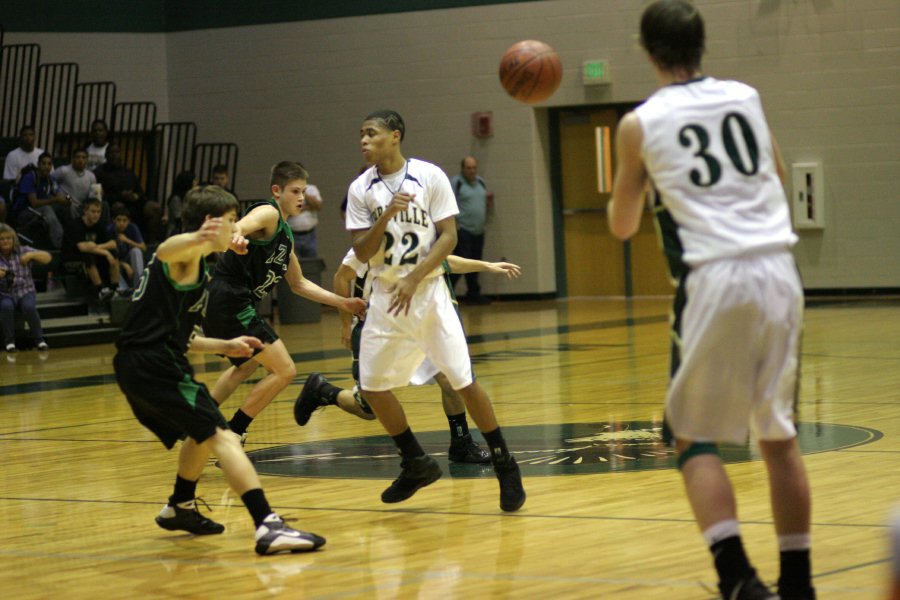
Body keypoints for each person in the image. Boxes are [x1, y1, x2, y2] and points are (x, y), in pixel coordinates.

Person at [606, 2, 814, 599]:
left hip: (714, 277)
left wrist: (643, 185)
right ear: (702, 46)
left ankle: (737, 580)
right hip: (779, 268)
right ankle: (798, 585)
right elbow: (774, 172)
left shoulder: (639, 123)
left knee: (692, 439)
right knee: (778, 435)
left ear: (646, 50)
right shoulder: (745, 96)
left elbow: (621, 226)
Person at [113, 185, 325, 555]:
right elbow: (165, 249)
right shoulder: (182, 254)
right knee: (223, 437)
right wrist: (199, 237)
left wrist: (225, 346)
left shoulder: (198, 268)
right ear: (210, 225)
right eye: (230, 222)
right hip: (153, 366)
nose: (236, 229)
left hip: (152, 362)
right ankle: (267, 526)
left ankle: (180, 505)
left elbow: (182, 335)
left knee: (201, 433)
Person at [345, 109, 525, 511]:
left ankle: (504, 463)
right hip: (386, 297)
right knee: (372, 387)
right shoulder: (361, 188)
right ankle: (414, 462)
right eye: (361, 134)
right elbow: (360, 251)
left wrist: (415, 277)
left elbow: (449, 237)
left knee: (463, 381)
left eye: (371, 133)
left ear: (395, 136)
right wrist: (388, 214)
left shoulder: (429, 176)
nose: (363, 140)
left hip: (428, 294)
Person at [295, 248, 522, 466]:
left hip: (416, 322)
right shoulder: (368, 245)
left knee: (450, 379)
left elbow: (445, 262)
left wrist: (488, 266)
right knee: (369, 408)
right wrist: (345, 324)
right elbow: (341, 277)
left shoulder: (416, 238)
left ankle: (461, 443)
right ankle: (322, 391)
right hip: (375, 326)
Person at [203, 164, 366, 443]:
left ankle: (199, 418)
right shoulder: (268, 212)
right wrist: (236, 235)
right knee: (285, 370)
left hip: (226, 302)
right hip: (230, 299)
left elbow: (299, 284)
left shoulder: (286, 237)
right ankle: (235, 431)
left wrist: (344, 303)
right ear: (277, 191)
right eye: (295, 191)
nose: (301, 197)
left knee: (247, 366)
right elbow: (242, 225)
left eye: (303, 191)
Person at [449, 156, 494, 305]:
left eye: (474, 168)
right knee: (461, 262)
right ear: (463, 168)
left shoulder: (481, 182)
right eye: (469, 168)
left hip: (478, 231)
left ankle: (473, 293)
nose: (472, 171)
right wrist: (454, 224)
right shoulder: (457, 183)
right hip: (463, 230)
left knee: (476, 263)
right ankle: (448, 292)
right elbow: (449, 204)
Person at [0, 223, 50, 352]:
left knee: (29, 307)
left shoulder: (23, 250)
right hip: (4, 293)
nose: (5, 241)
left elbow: (48, 258)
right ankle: (9, 342)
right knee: (6, 307)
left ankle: (40, 340)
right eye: (2, 239)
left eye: (8, 238)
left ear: (13, 239)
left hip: (25, 290)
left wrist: (31, 256)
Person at [62, 197, 119, 302]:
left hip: (93, 253)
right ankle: (100, 290)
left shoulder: (99, 225)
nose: (96, 215)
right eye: (93, 211)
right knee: (87, 256)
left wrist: (98, 248)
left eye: (98, 212)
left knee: (113, 253)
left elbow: (113, 243)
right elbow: (83, 247)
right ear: (85, 211)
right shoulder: (75, 225)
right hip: (71, 258)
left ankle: (116, 288)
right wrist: (105, 252)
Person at [12, 152, 70, 249]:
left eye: (49, 164)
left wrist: (67, 199)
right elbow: (34, 203)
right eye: (43, 163)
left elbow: (60, 194)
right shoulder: (30, 177)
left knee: (64, 208)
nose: (46, 167)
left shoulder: (50, 179)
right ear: (38, 164)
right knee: (47, 209)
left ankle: (71, 240)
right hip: (23, 213)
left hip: (39, 211)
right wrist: (55, 199)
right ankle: (60, 246)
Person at [53, 148, 101, 220]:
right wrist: (58, 192)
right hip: (68, 202)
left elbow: (93, 195)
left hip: (84, 205)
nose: (80, 160)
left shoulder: (91, 176)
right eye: (78, 157)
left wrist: (98, 194)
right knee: (69, 205)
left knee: (102, 205)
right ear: (73, 159)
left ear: (87, 160)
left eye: (83, 158)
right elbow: (51, 180)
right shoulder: (63, 170)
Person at [108, 203, 146, 292]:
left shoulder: (132, 227)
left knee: (136, 251)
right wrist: (124, 265)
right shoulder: (109, 230)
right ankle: (123, 291)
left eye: (124, 220)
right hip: (115, 262)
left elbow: (143, 247)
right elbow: (108, 256)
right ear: (114, 220)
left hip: (128, 258)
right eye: (119, 220)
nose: (122, 223)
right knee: (113, 263)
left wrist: (127, 240)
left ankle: (139, 287)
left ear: (129, 221)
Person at [287, 181, 322, 258]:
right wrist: (307, 207)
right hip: (292, 235)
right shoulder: (286, 190)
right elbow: (286, 210)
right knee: (292, 264)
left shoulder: (311, 189)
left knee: (310, 264)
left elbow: (318, 206)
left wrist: (302, 192)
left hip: (310, 234)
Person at [163, 170, 196, 239]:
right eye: (194, 180)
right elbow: (178, 219)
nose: (196, 183)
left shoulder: (189, 197)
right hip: (176, 232)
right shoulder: (176, 199)